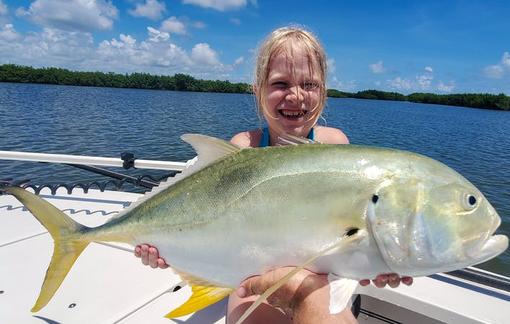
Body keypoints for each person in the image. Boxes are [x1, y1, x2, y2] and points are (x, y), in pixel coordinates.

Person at [134, 26, 412, 323]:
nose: (296, 96)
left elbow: (348, 227)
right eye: (281, 83)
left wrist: (381, 258)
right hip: (252, 273)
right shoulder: (244, 146)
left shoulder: (335, 144)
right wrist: (165, 245)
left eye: (309, 84)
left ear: (324, 91)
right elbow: (213, 218)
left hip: (319, 275)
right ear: (258, 90)